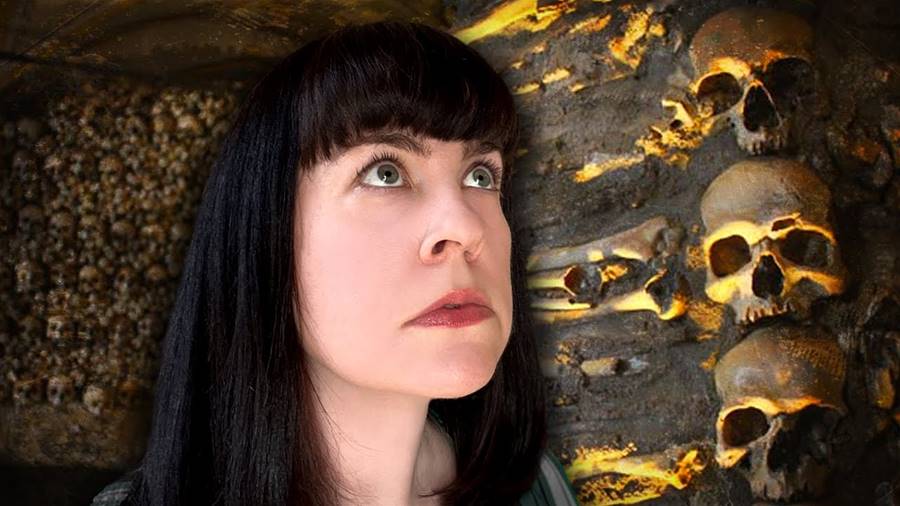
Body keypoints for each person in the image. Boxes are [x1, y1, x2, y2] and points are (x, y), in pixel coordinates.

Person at [91, 20, 579, 506]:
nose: (467, 228)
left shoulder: (542, 489)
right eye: (385, 173)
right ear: (266, 231)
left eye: (480, 176)